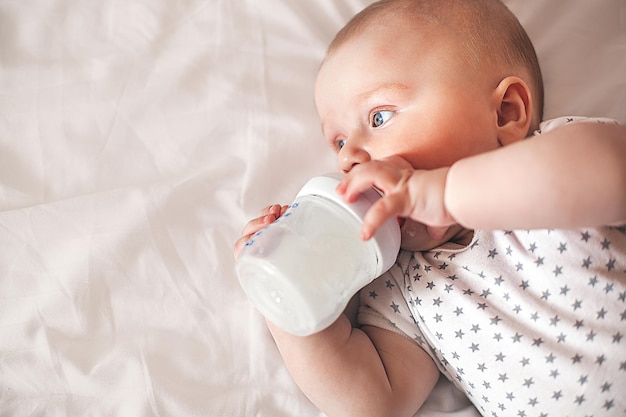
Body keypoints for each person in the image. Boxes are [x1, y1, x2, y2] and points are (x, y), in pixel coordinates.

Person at [234, 0, 626, 416]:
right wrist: (287, 295)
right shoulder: (404, 284)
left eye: (380, 116)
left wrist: (442, 193)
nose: (349, 158)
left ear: (506, 113)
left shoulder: (554, 159)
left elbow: (614, 172)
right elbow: (375, 401)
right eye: (339, 142)